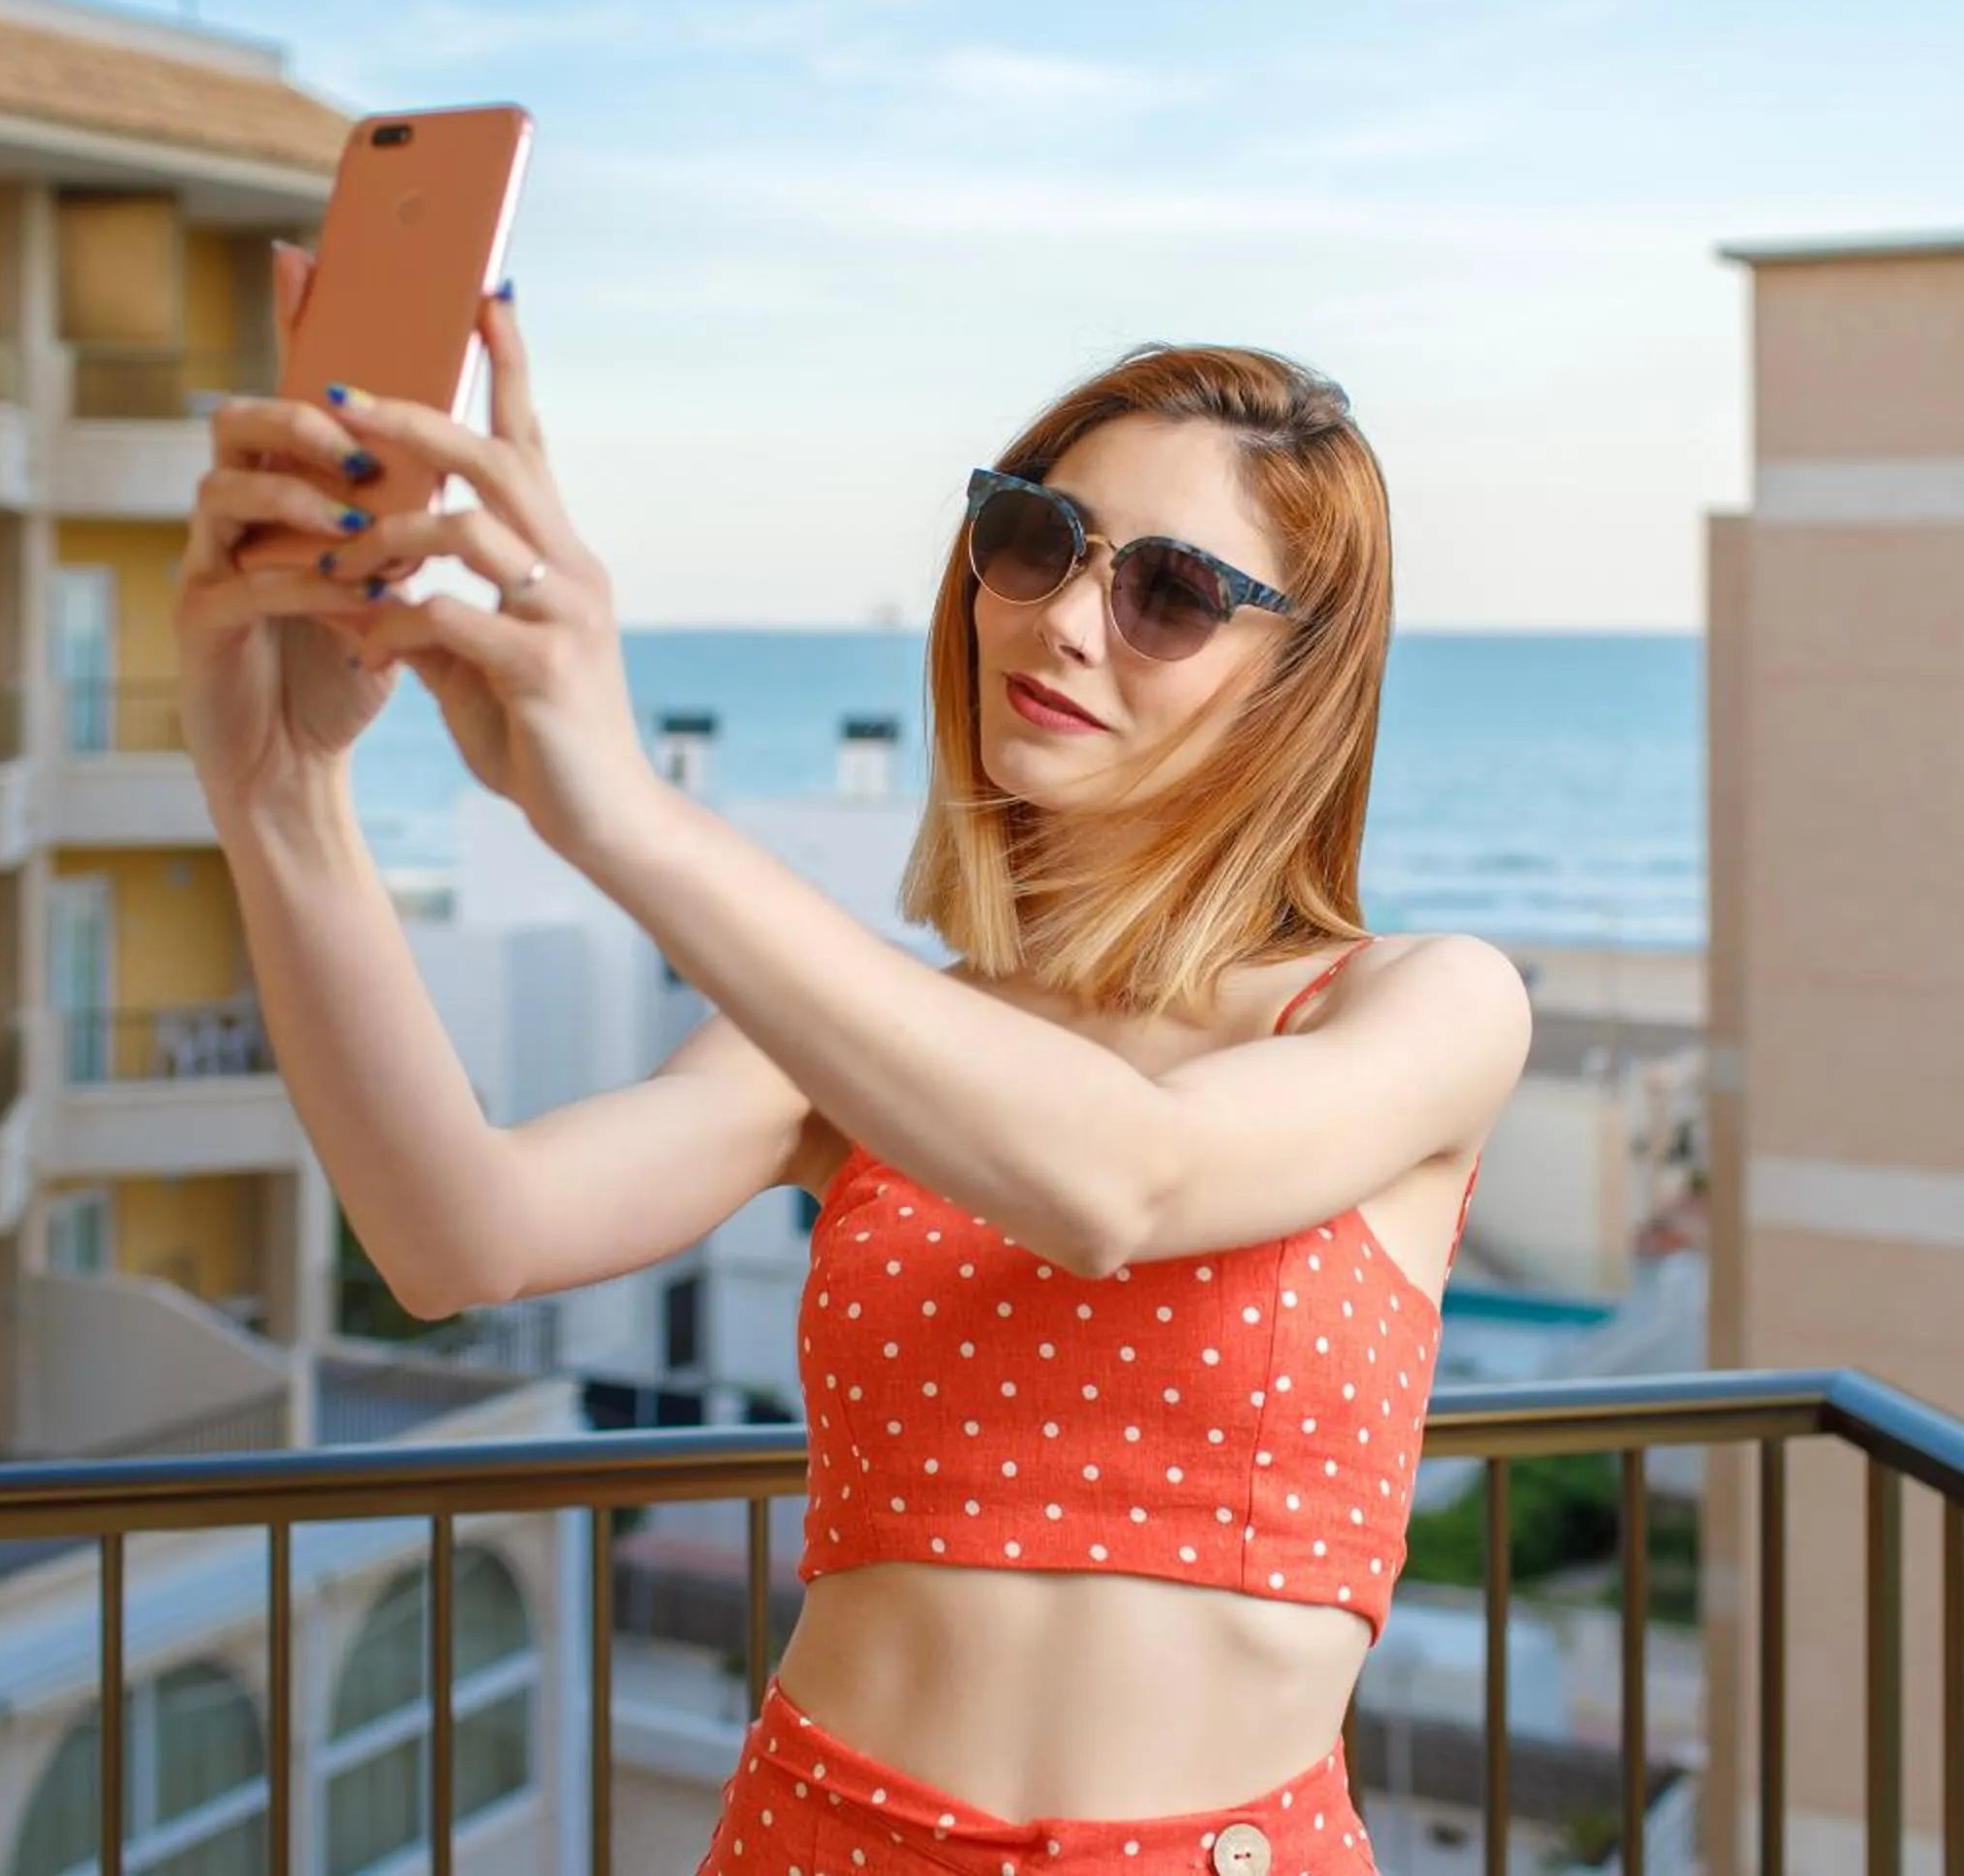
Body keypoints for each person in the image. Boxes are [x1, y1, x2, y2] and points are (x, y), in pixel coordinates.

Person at [174, 247, 1533, 1876]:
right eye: (1035, 539)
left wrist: (622, 811)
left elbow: (1123, 1179)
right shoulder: (872, 1041)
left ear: (1298, 685)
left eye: (1169, 594)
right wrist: (283, 804)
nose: (1063, 621)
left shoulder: (1429, 1004)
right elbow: (459, 1233)